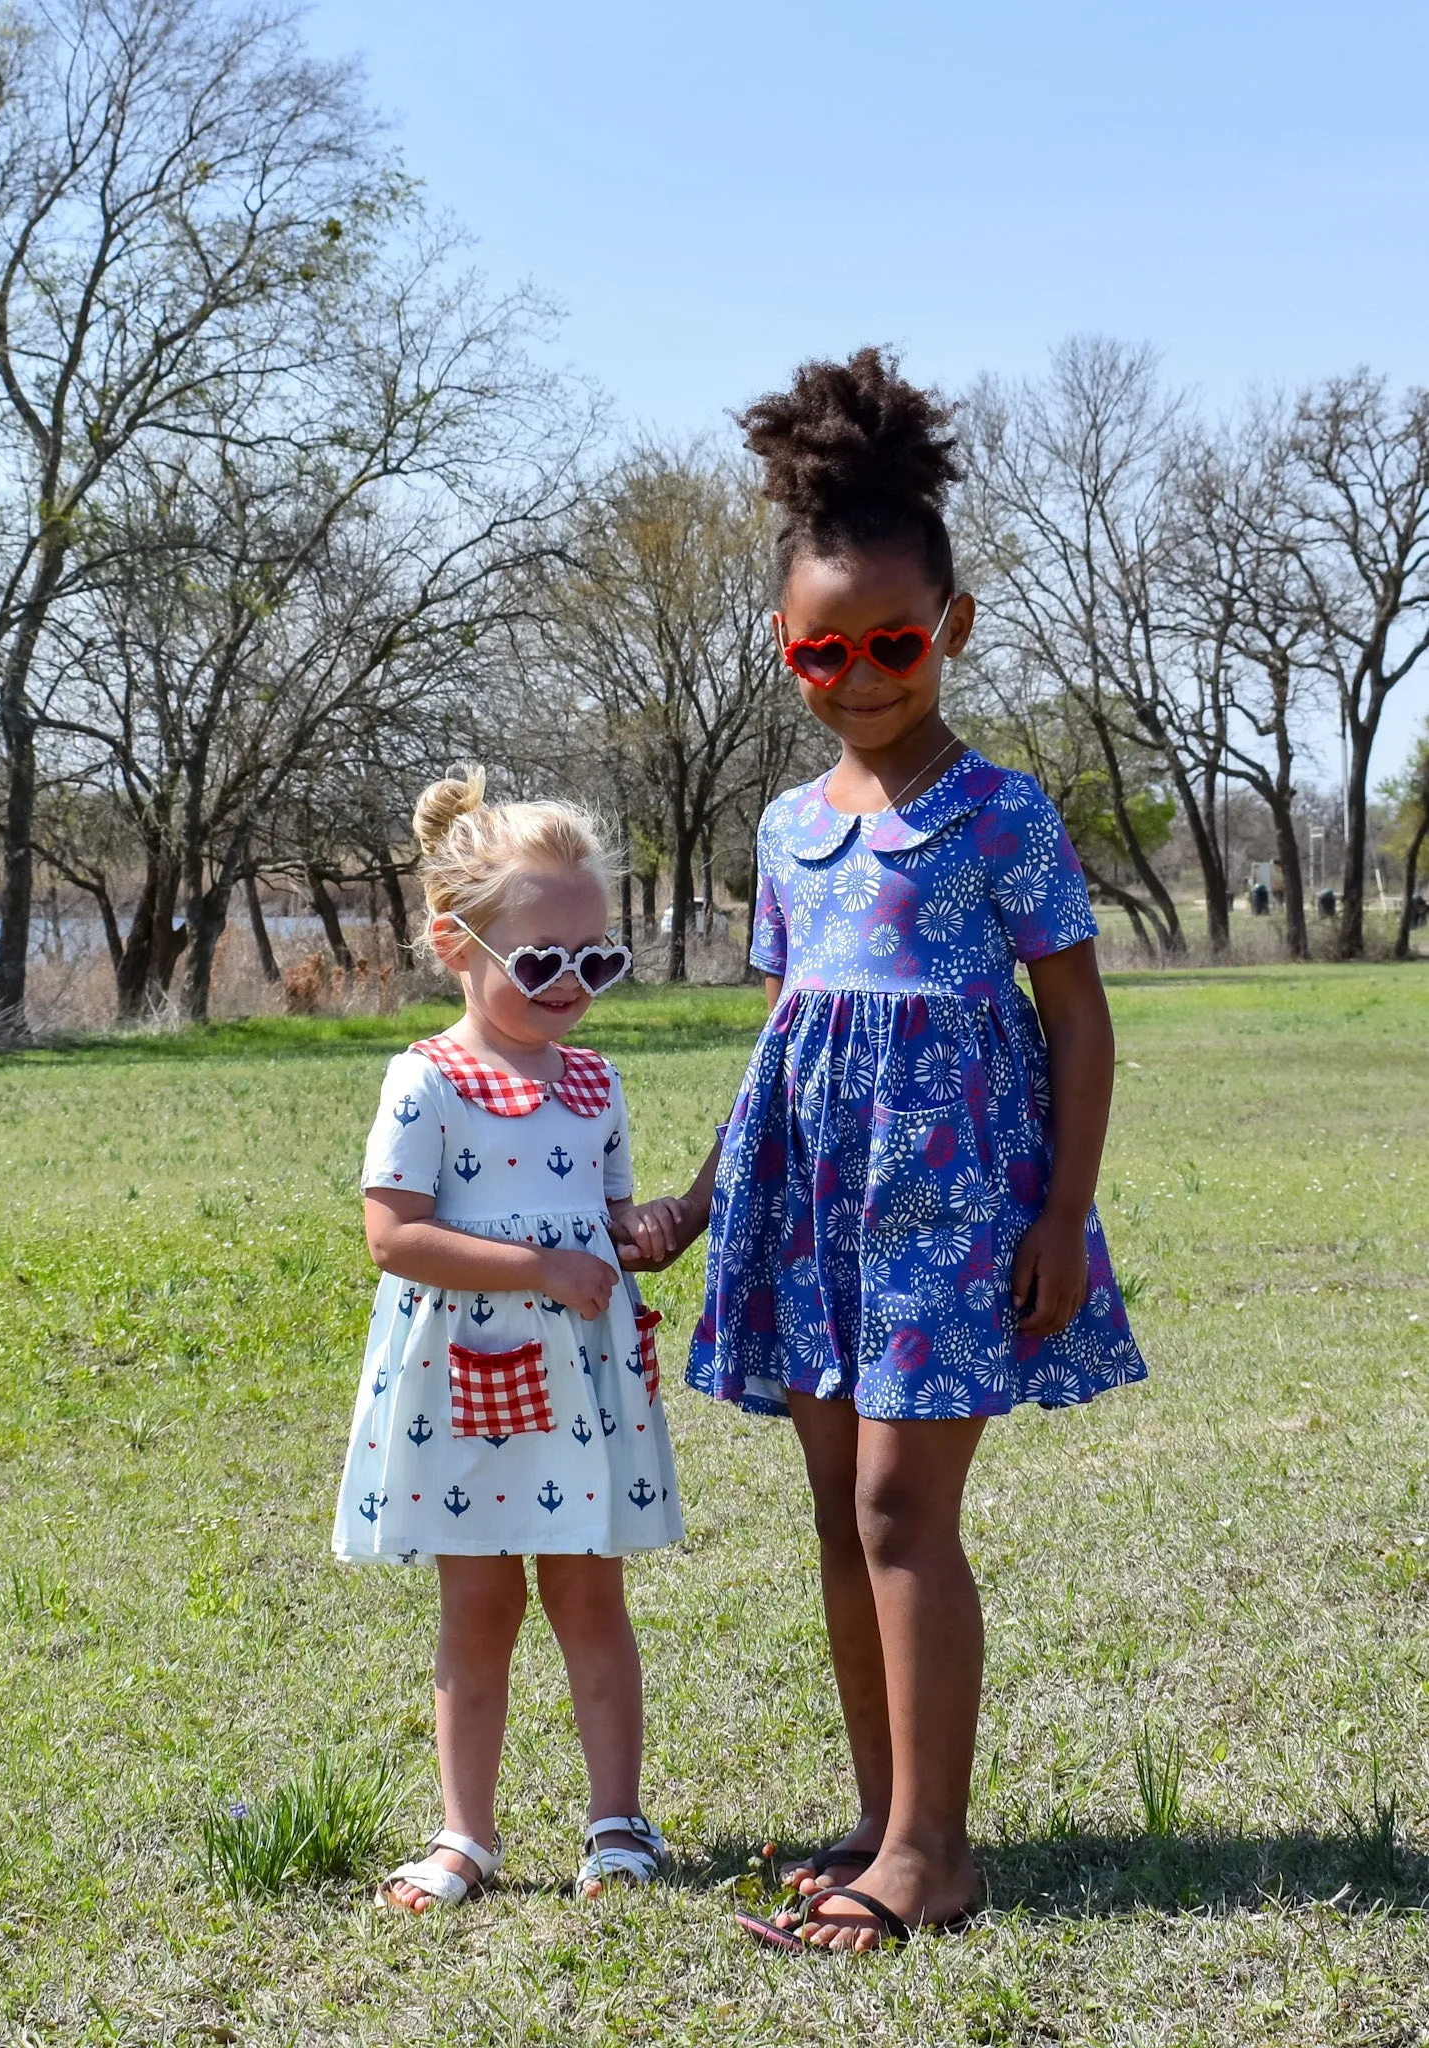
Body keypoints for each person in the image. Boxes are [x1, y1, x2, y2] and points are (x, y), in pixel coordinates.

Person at [611, 350, 1148, 1954]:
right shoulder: (784, 829)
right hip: (816, 1213)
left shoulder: (1003, 816)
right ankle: (881, 1816)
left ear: (952, 629)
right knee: (844, 1514)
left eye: (894, 644)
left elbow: (1080, 1023)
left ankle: (935, 1853)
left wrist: (1064, 1207)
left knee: (912, 1515)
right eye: (823, 650)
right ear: (788, 651)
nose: (861, 675)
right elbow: (785, 1043)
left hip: (955, 1208)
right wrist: (710, 1199)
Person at [333, 768, 686, 1912]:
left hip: (576, 1385)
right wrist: (540, 1267)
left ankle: (616, 1820)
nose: (572, 985)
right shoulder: (425, 1079)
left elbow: (611, 1218)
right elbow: (394, 1237)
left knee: (591, 1596)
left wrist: (652, 1225)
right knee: (476, 1607)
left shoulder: (595, 1080)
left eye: (598, 959)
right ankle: (464, 1833)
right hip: (465, 1383)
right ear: (455, 943)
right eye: (541, 962)